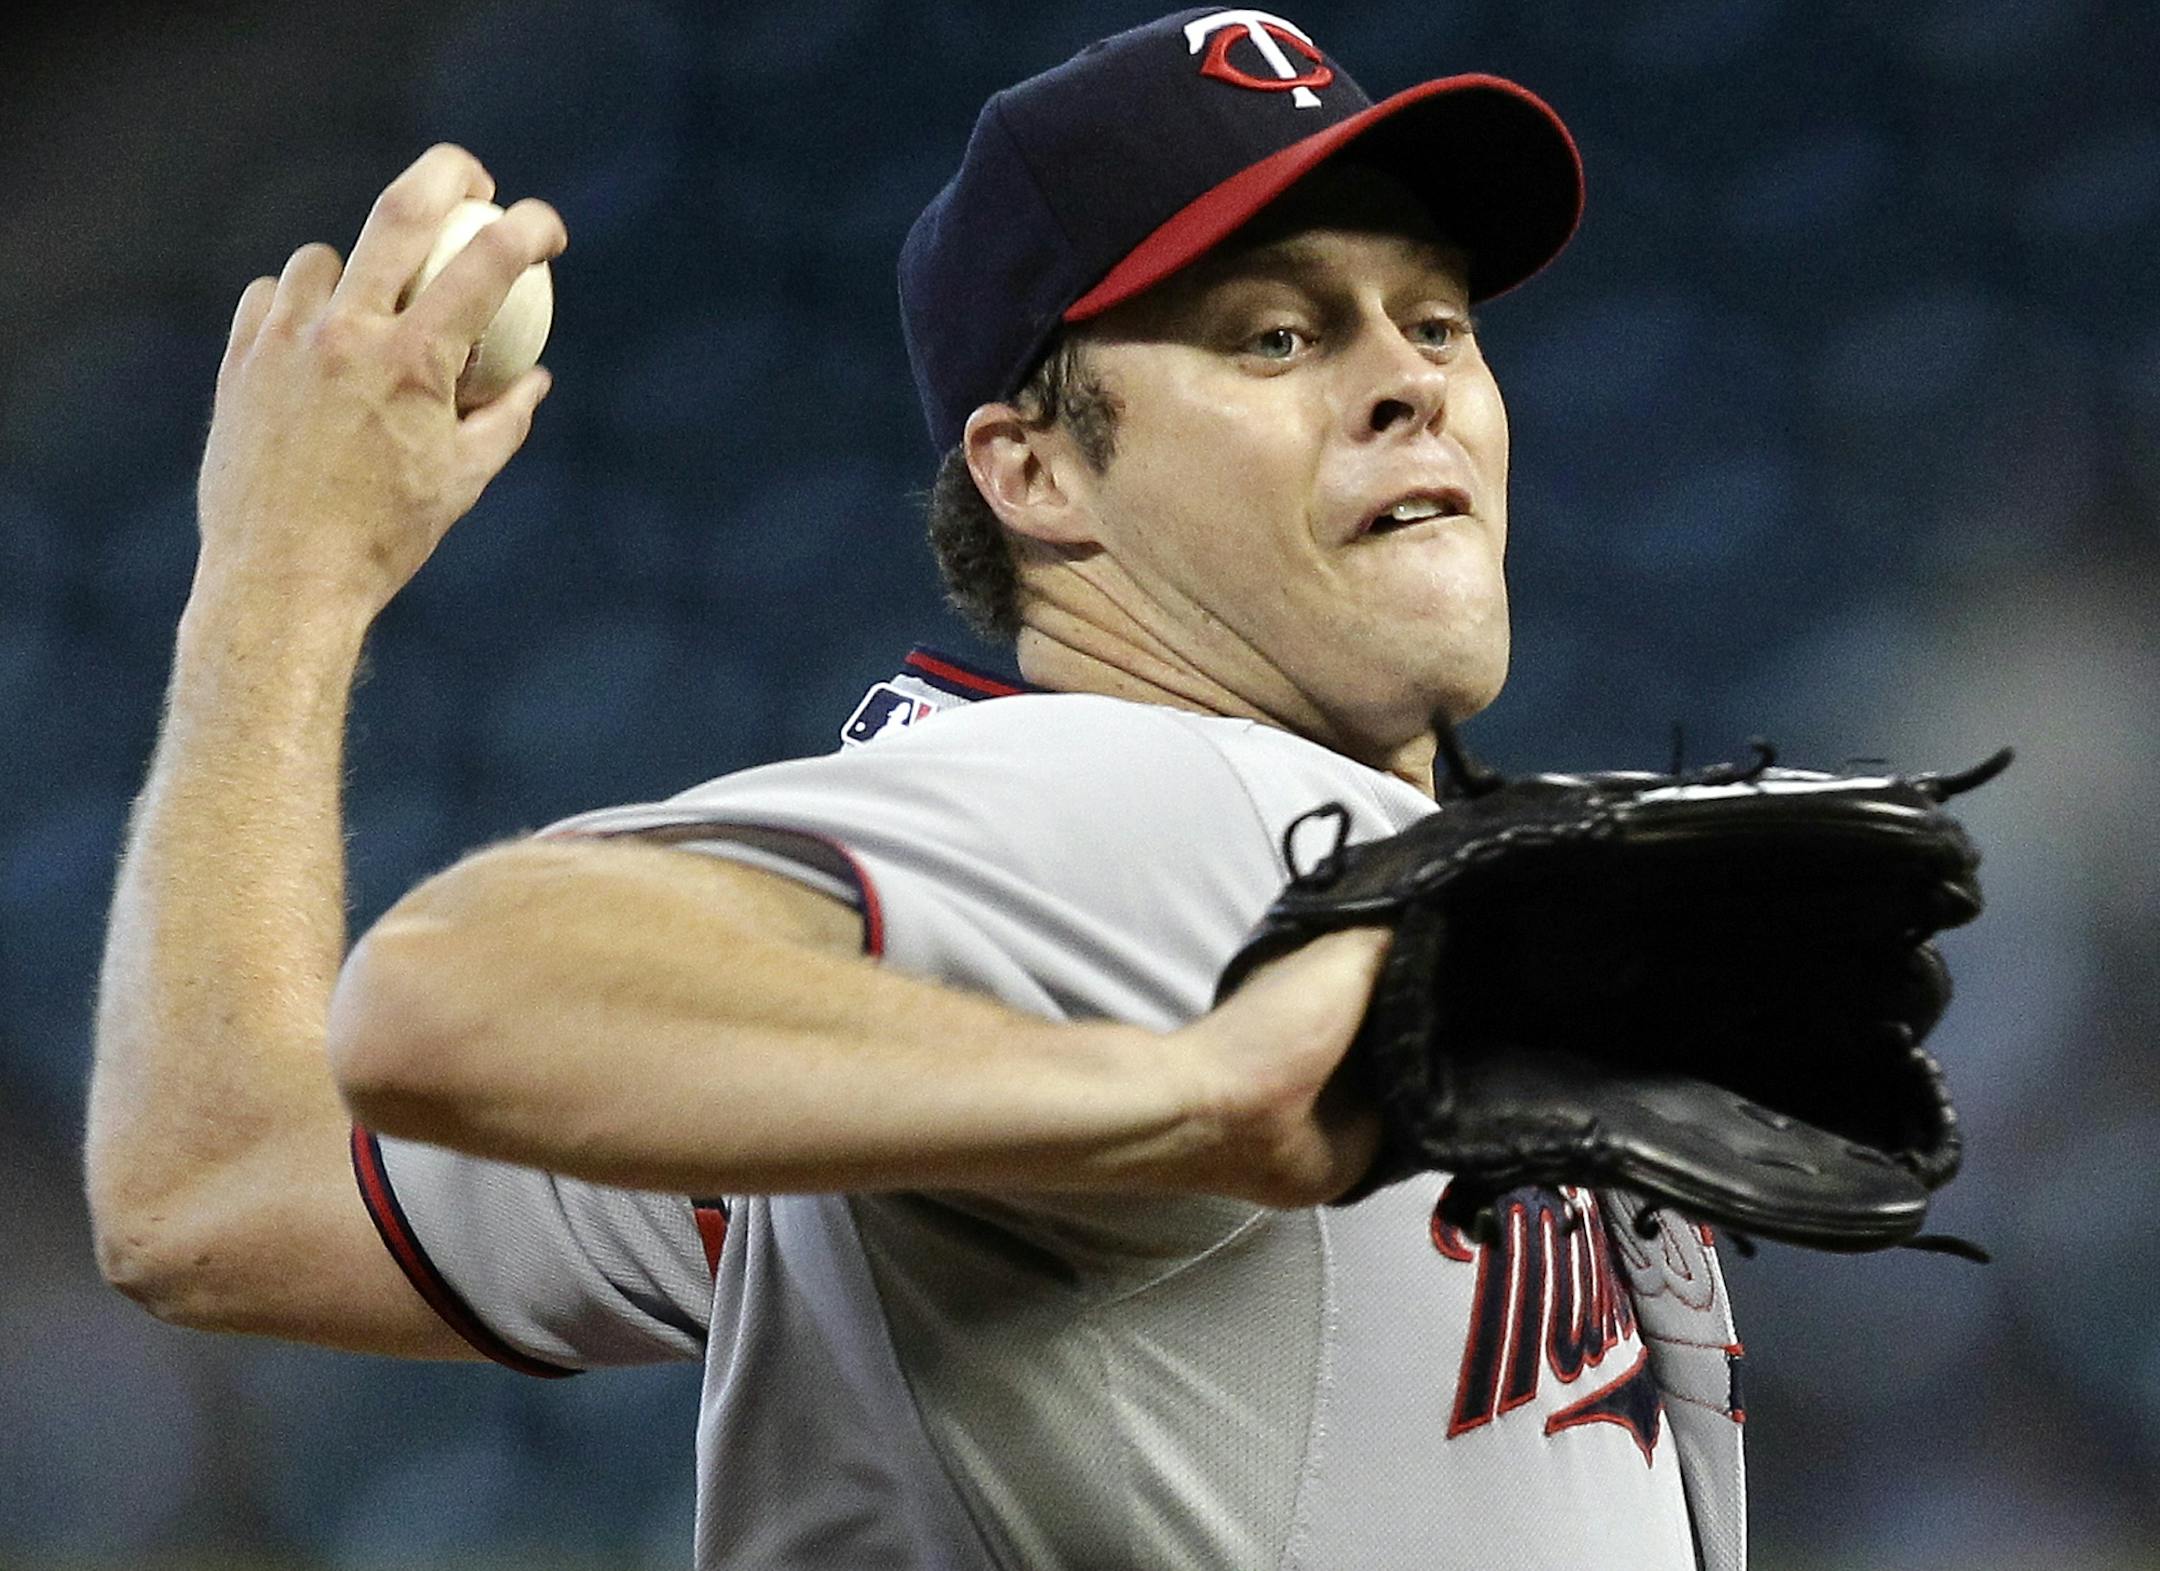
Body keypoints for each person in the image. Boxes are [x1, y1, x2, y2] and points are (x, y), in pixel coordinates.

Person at [87, 10, 1746, 1568]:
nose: (1414, 379)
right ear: (1035, 472)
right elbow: (440, 998)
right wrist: (1169, 1098)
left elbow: (214, 1192)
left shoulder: (1048, 970)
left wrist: (280, 582)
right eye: (1280, 334)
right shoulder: (1153, 810)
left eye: (1437, 318)